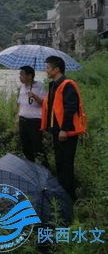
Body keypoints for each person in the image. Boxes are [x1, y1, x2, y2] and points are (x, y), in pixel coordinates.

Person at [40, 56, 87, 201]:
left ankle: (69, 198)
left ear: (56, 69)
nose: (46, 70)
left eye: (48, 67)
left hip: (66, 132)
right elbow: (53, 108)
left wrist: (64, 129)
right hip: (57, 131)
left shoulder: (68, 85)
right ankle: (62, 194)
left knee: (66, 164)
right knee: (59, 163)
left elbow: (70, 108)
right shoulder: (54, 85)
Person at [16, 66, 48, 165]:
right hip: (23, 120)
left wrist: (34, 96)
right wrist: (17, 117)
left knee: (38, 147)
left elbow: (44, 103)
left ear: (29, 76)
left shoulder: (40, 86)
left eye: (22, 74)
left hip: (35, 122)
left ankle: (45, 168)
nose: (20, 77)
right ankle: (31, 167)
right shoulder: (22, 87)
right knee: (25, 147)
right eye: (20, 74)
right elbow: (19, 104)